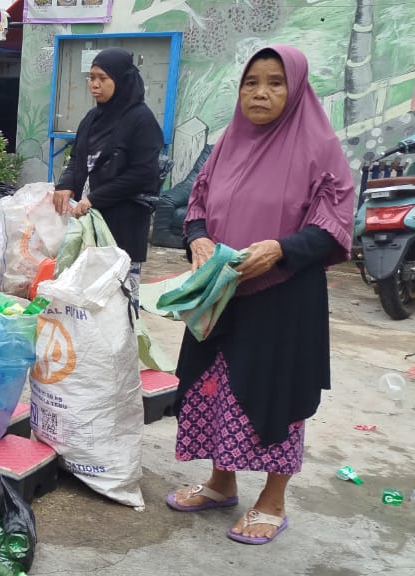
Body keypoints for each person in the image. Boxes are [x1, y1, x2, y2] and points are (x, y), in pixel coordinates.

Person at [164, 46, 354, 545]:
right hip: (222, 293)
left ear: (295, 89)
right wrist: (198, 237)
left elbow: (334, 226)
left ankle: (272, 501)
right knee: (214, 387)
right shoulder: (227, 142)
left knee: (275, 394)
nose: (261, 92)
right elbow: (199, 200)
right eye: (251, 82)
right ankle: (221, 483)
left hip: (284, 297)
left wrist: (281, 249)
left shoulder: (319, 147)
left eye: (274, 82)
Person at [52, 47, 164, 304]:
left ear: (121, 79)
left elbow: (143, 173)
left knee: (119, 299)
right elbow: (77, 158)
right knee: (87, 295)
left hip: (124, 221)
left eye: (103, 78)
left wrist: (95, 198)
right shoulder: (91, 119)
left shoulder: (141, 120)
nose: (95, 84)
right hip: (88, 220)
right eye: (91, 78)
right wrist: (66, 184)